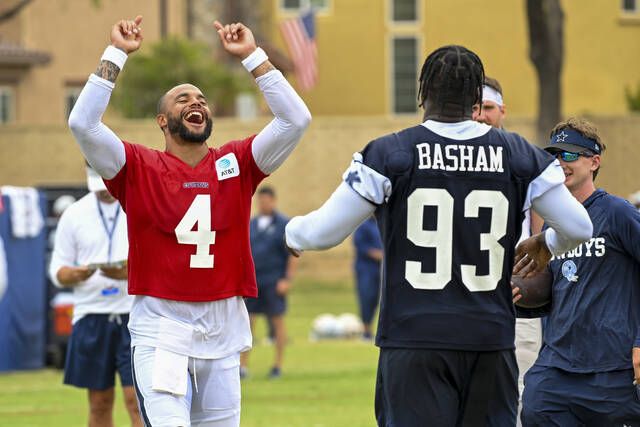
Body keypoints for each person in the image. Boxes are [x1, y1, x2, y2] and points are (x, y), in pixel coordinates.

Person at [285, 45, 592, 426]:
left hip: (415, 338)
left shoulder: (391, 153)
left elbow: (322, 233)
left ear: (422, 93)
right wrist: (546, 244)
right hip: (489, 339)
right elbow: (580, 227)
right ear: (476, 99)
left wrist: (292, 233)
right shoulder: (516, 154)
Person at [68, 15, 311, 427]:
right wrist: (117, 54)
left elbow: (295, 120)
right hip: (163, 330)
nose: (195, 102)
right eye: (182, 100)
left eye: (200, 98)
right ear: (162, 121)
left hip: (223, 329)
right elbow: (82, 123)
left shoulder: (237, 162)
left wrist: (252, 57)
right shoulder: (137, 166)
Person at [519, 117, 640, 426]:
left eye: (570, 154)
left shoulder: (618, 213)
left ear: (594, 161)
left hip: (612, 370)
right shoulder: (552, 225)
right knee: (534, 409)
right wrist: (520, 299)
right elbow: (559, 291)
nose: (561, 162)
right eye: (554, 155)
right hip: (558, 368)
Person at [49, 166, 140, 427]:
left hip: (133, 312)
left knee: (136, 399)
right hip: (91, 314)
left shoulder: (136, 203)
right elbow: (58, 270)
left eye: (108, 188)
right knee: (99, 401)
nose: (105, 194)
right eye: (99, 189)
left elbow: (157, 261)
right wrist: (75, 274)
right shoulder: (74, 214)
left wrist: (127, 273)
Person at [472, 76, 543, 405]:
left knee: (518, 397)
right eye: (475, 108)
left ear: (502, 111)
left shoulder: (525, 160)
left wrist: (533, 278)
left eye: (488, 107)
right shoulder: (451, 159)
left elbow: (541, 233)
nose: (482, 115)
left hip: (516, 300)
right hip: (464, 301)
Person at [241, 186, 296, 379]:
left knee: (277, 320)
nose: (263, 204)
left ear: (273, 201)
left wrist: (287, 279)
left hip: (274, 280)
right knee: (248, 321)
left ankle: (277, 365)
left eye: (266, 200)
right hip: (254, 281)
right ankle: (243, 366)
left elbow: (292, 254)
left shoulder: (283, 224)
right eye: (260, 201)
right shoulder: (252, 224)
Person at [352, 216, 383, 339]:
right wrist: (378, 254)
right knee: (366, 297)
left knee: (377, 299)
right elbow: (360, 245)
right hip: (366, 268)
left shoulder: (381, 223)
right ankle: (365, 329)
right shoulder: (363, 225)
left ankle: (373, 328)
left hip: (380, 269)